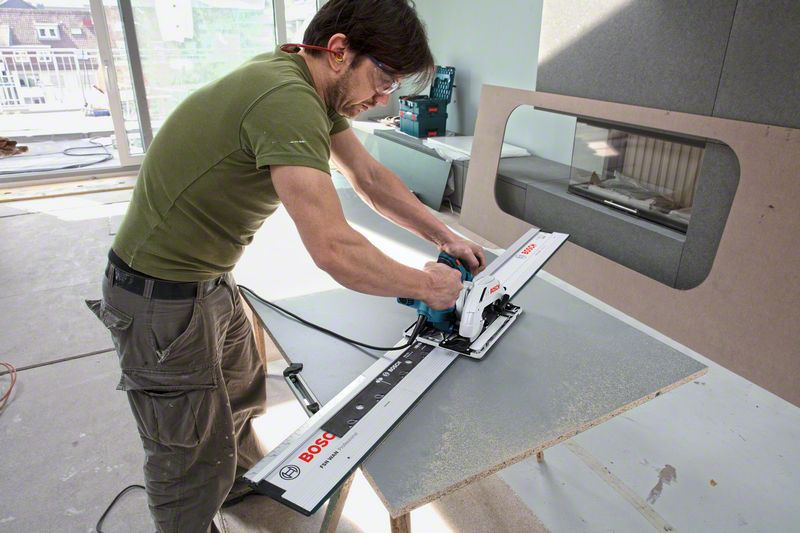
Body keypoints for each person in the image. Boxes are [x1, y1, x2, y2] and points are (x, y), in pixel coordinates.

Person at [87, 1, 485, 531]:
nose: (384, 99)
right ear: (339, 51)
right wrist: (427, 285)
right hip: (160, 296)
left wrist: (444, 235)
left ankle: (234, 487)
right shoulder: (286, 100)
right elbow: (334, 249)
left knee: (239, 396)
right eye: (384, 78)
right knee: (188, 460)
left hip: (209, 278)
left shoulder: (304, 81)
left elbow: (369, 178)